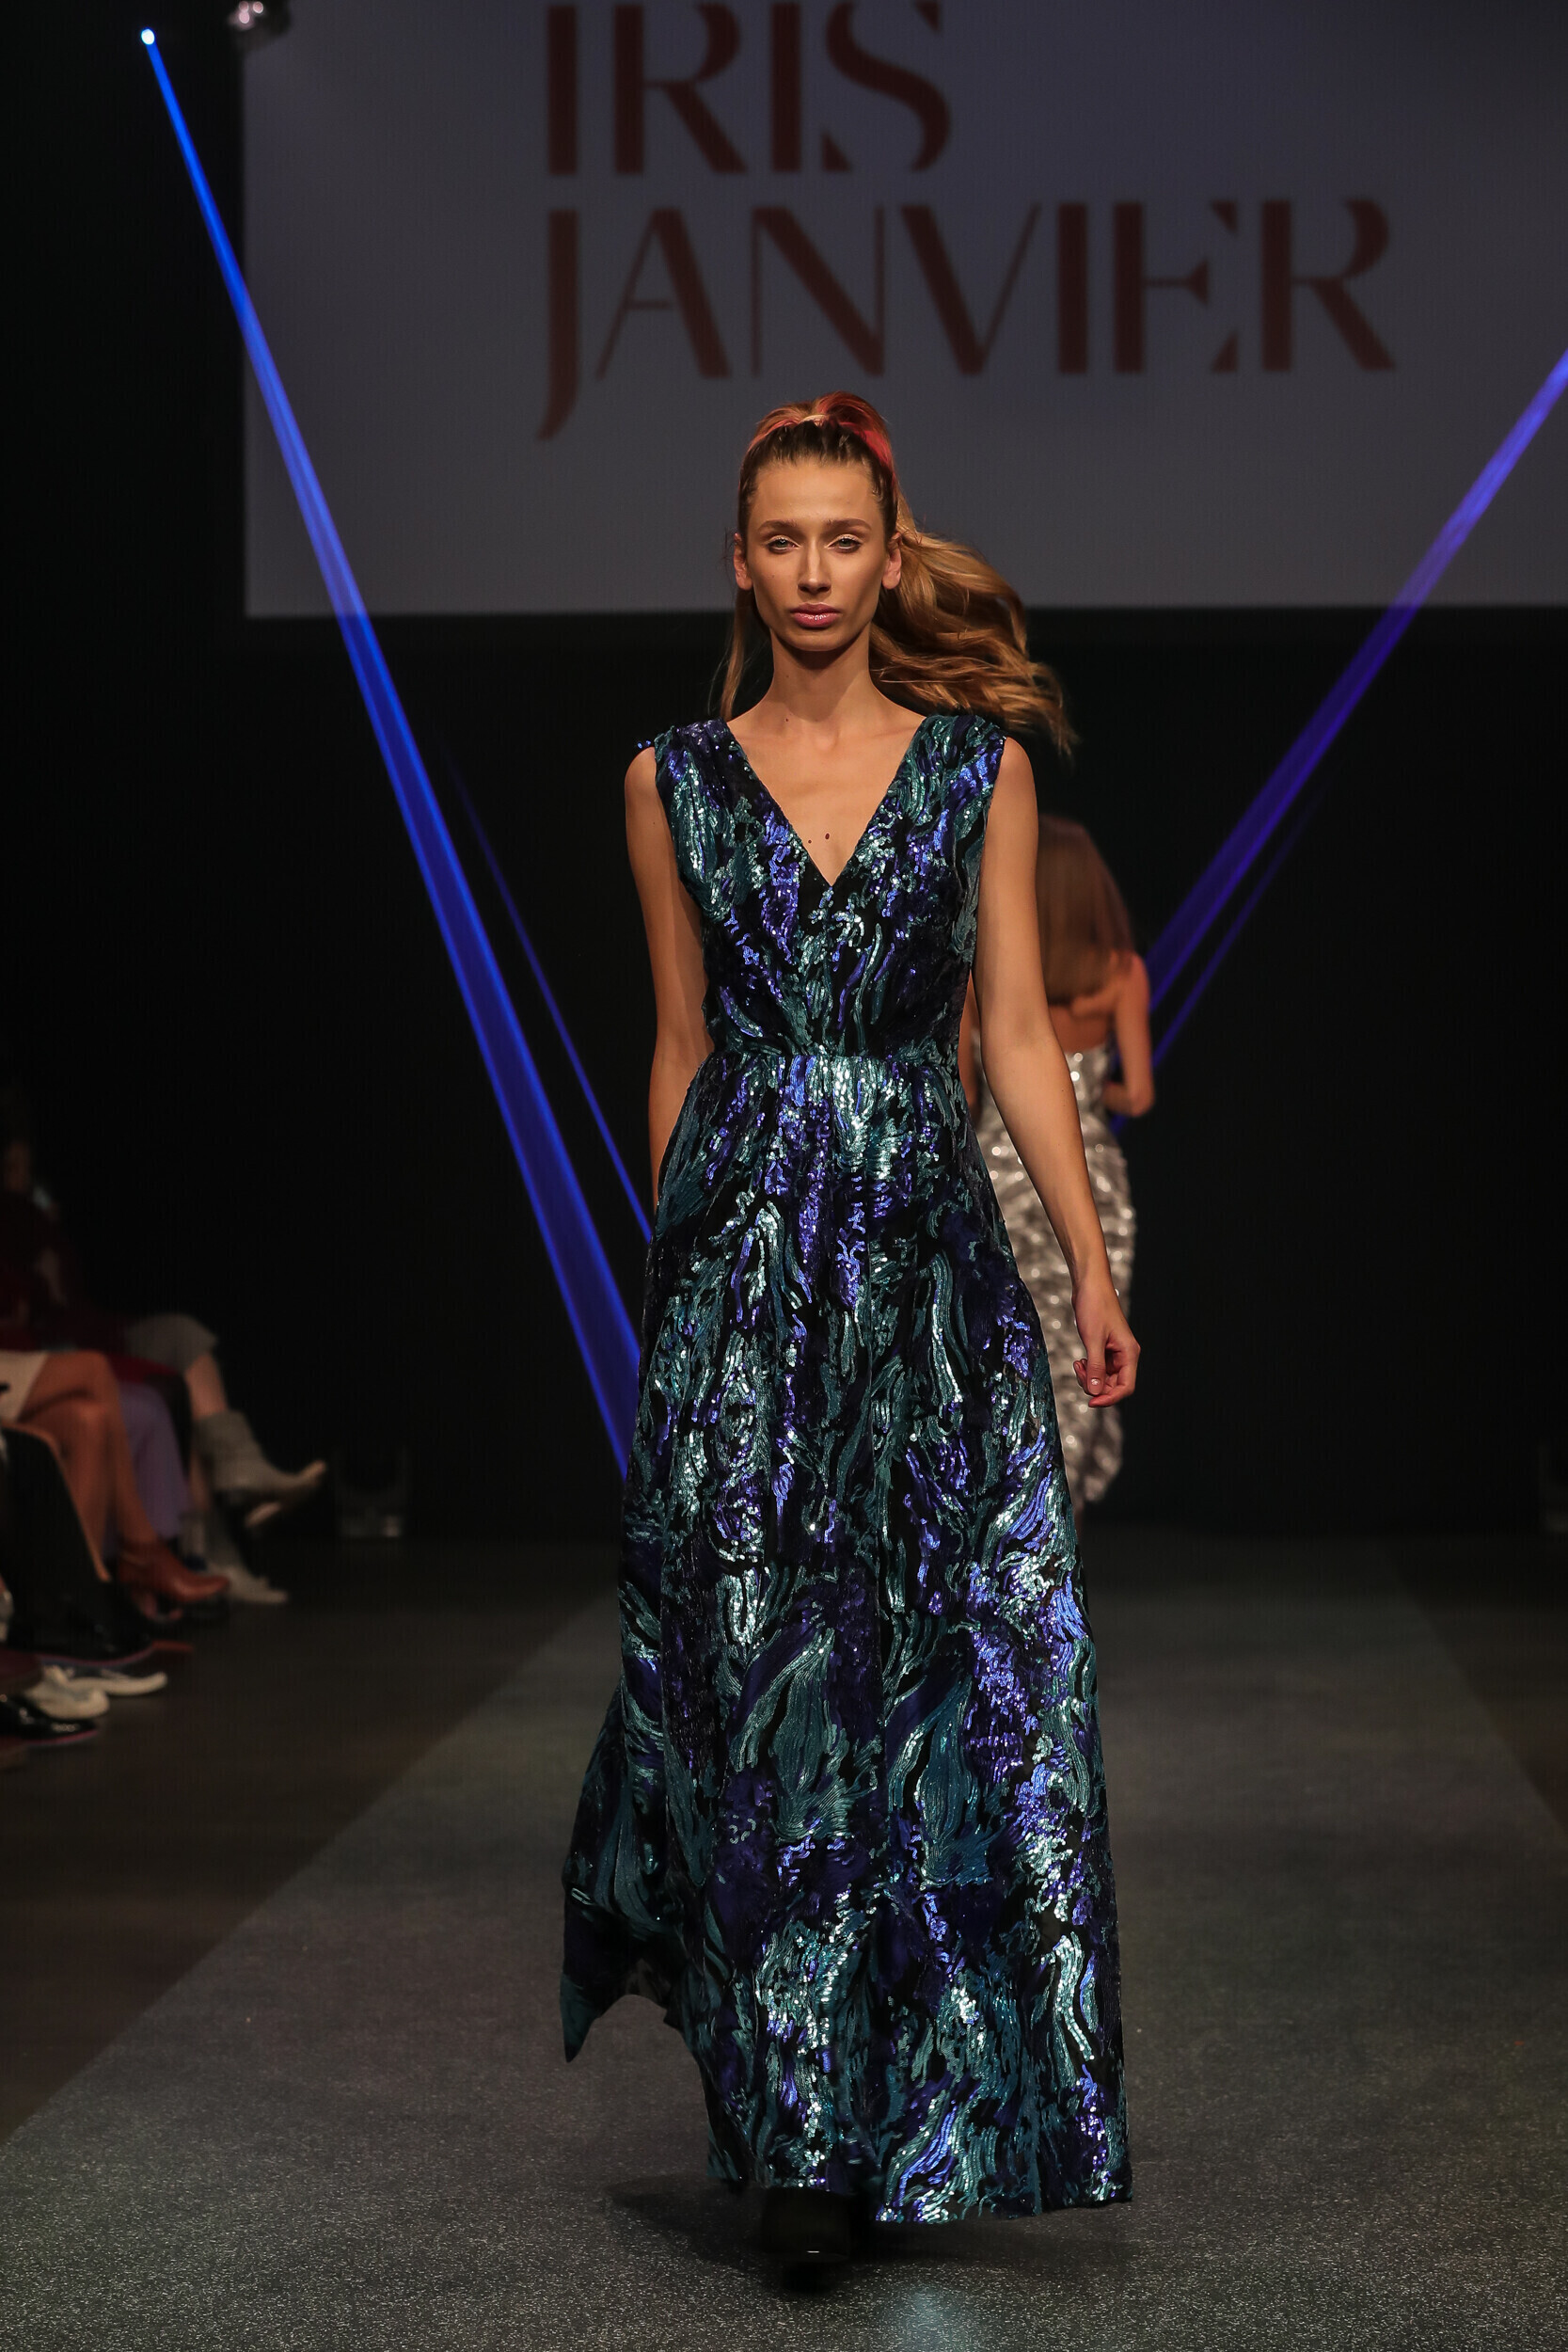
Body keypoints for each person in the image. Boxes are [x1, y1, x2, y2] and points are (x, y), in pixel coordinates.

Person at [562, 394, 1137, 2269]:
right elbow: (676, 1043)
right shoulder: (668, 781)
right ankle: (801, 2134)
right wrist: (677, 1277)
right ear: (739, 564)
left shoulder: (977, 774)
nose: (811, 570)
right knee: (758, 1680)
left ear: (887, 562)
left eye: (841, 540)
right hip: (741, 1265)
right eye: (780, 541)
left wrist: (1088, 1269)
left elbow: (1013, 1043)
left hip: (922, 1264)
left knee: (938, 1675)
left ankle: (916, 2107)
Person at [963, 818, 1153, 1518]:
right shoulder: (1120, 974)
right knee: (1084, 1345)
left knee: (1002, 1350)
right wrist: (1083, 1093)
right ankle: (1055, 1513)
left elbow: (965, 1095)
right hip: (1089, 1182)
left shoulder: (978, 977)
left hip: (999, 1174)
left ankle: (1012, 1512)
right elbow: (1139, 1094)